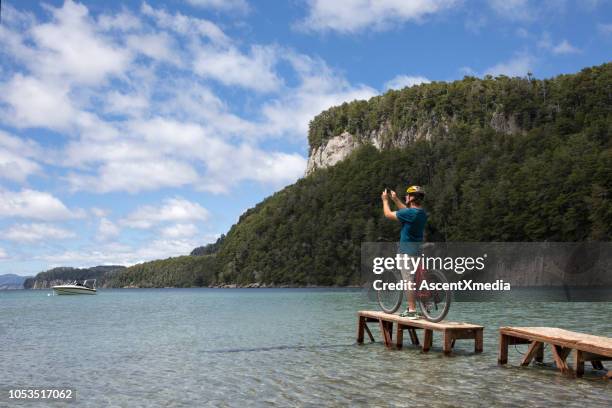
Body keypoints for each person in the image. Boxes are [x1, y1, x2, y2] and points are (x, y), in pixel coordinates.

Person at [381, 185, 428, 319]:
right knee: (415, 279)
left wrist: (385, 200)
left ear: (412, 198)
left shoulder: (409, 213)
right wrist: (395, 199)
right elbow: (406, 211)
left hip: (406, 251)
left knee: (408, 280)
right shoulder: (421, 213)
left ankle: (412, 310)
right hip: (417, 251)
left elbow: (388, 214)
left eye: (407, 195)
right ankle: (422, 306)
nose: (405, 197)